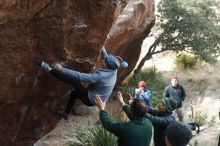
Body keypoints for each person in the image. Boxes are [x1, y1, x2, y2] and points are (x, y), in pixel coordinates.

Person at [38, 48, 128, 120]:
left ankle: (49, 69)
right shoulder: (114, 68)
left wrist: (62, 69)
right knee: (74, 94)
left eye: (104, 62)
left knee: (74, 81)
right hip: (96, 95)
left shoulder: (100, 76)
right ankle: (66, 114)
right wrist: (103, 50)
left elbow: (80, 76)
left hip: (90, 99)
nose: (102, 61)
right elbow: (107, 58)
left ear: (108, 66)